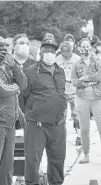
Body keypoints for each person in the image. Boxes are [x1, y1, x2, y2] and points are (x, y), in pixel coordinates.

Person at [22, 33, 67, 185]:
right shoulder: (30, 72)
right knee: (33, 160)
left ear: (56, 53)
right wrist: (31, 115)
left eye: (52, 51)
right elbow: (22, 97)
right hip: (37, 125)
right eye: (46, 50)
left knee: (58, 159)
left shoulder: (61, 71)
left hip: (58, 124)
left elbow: (61, 93)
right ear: (40, 52)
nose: (49, 54)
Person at [0, 35, 27, 185]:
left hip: (10, 122)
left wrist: (14, 66)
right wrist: (16, 87)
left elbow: (24, 83)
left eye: (5, 48)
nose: (3, 52)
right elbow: (2, 89)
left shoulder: (7, 65)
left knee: (7, 165)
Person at [71, 38, 101, 164]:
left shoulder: (98, 61)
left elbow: (100, 76)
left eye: (87, 46)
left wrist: (85, 78)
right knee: (84, 129)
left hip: (97, 99)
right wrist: (89, 81)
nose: (85, 48)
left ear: (90, 47)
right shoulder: (76, 64)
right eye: (83, 46)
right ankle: (86, 154)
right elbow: (74, 81)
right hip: (82, 99)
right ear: (79, 48)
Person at [56, 41, 81, 146]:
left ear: (71, 50)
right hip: (62, 92)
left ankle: (79, 135)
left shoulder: (77, 59)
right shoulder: (57, 60)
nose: (66, 54)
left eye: (68, 52)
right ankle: (62, 136)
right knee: (62, 116)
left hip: (75, 91)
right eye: (63, 52)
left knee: (76, 115)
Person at [12, 34, 36, 113]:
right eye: (22, 43)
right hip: (11, 109)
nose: (25, 46)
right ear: (13, 46)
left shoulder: (35, 65)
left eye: (27, 44)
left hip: (30, 110)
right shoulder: (7, 63)